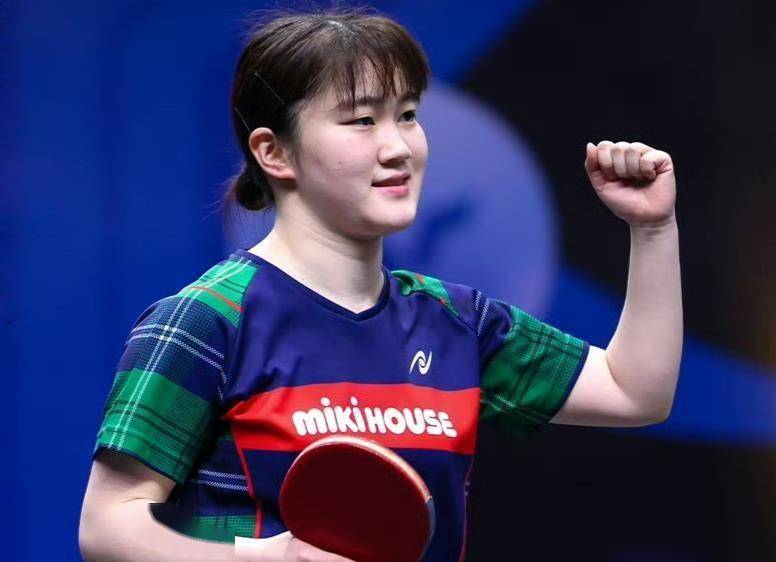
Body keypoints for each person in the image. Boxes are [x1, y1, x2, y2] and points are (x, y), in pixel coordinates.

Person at [78, 7, 682, 562]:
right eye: (361, 120)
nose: (398, 148)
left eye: (408, 115)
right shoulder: (208, 321)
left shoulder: (456, 322)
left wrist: (653, 229)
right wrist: (266, 559)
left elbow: (634, 393)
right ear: (274, 152)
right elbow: (107, 526)